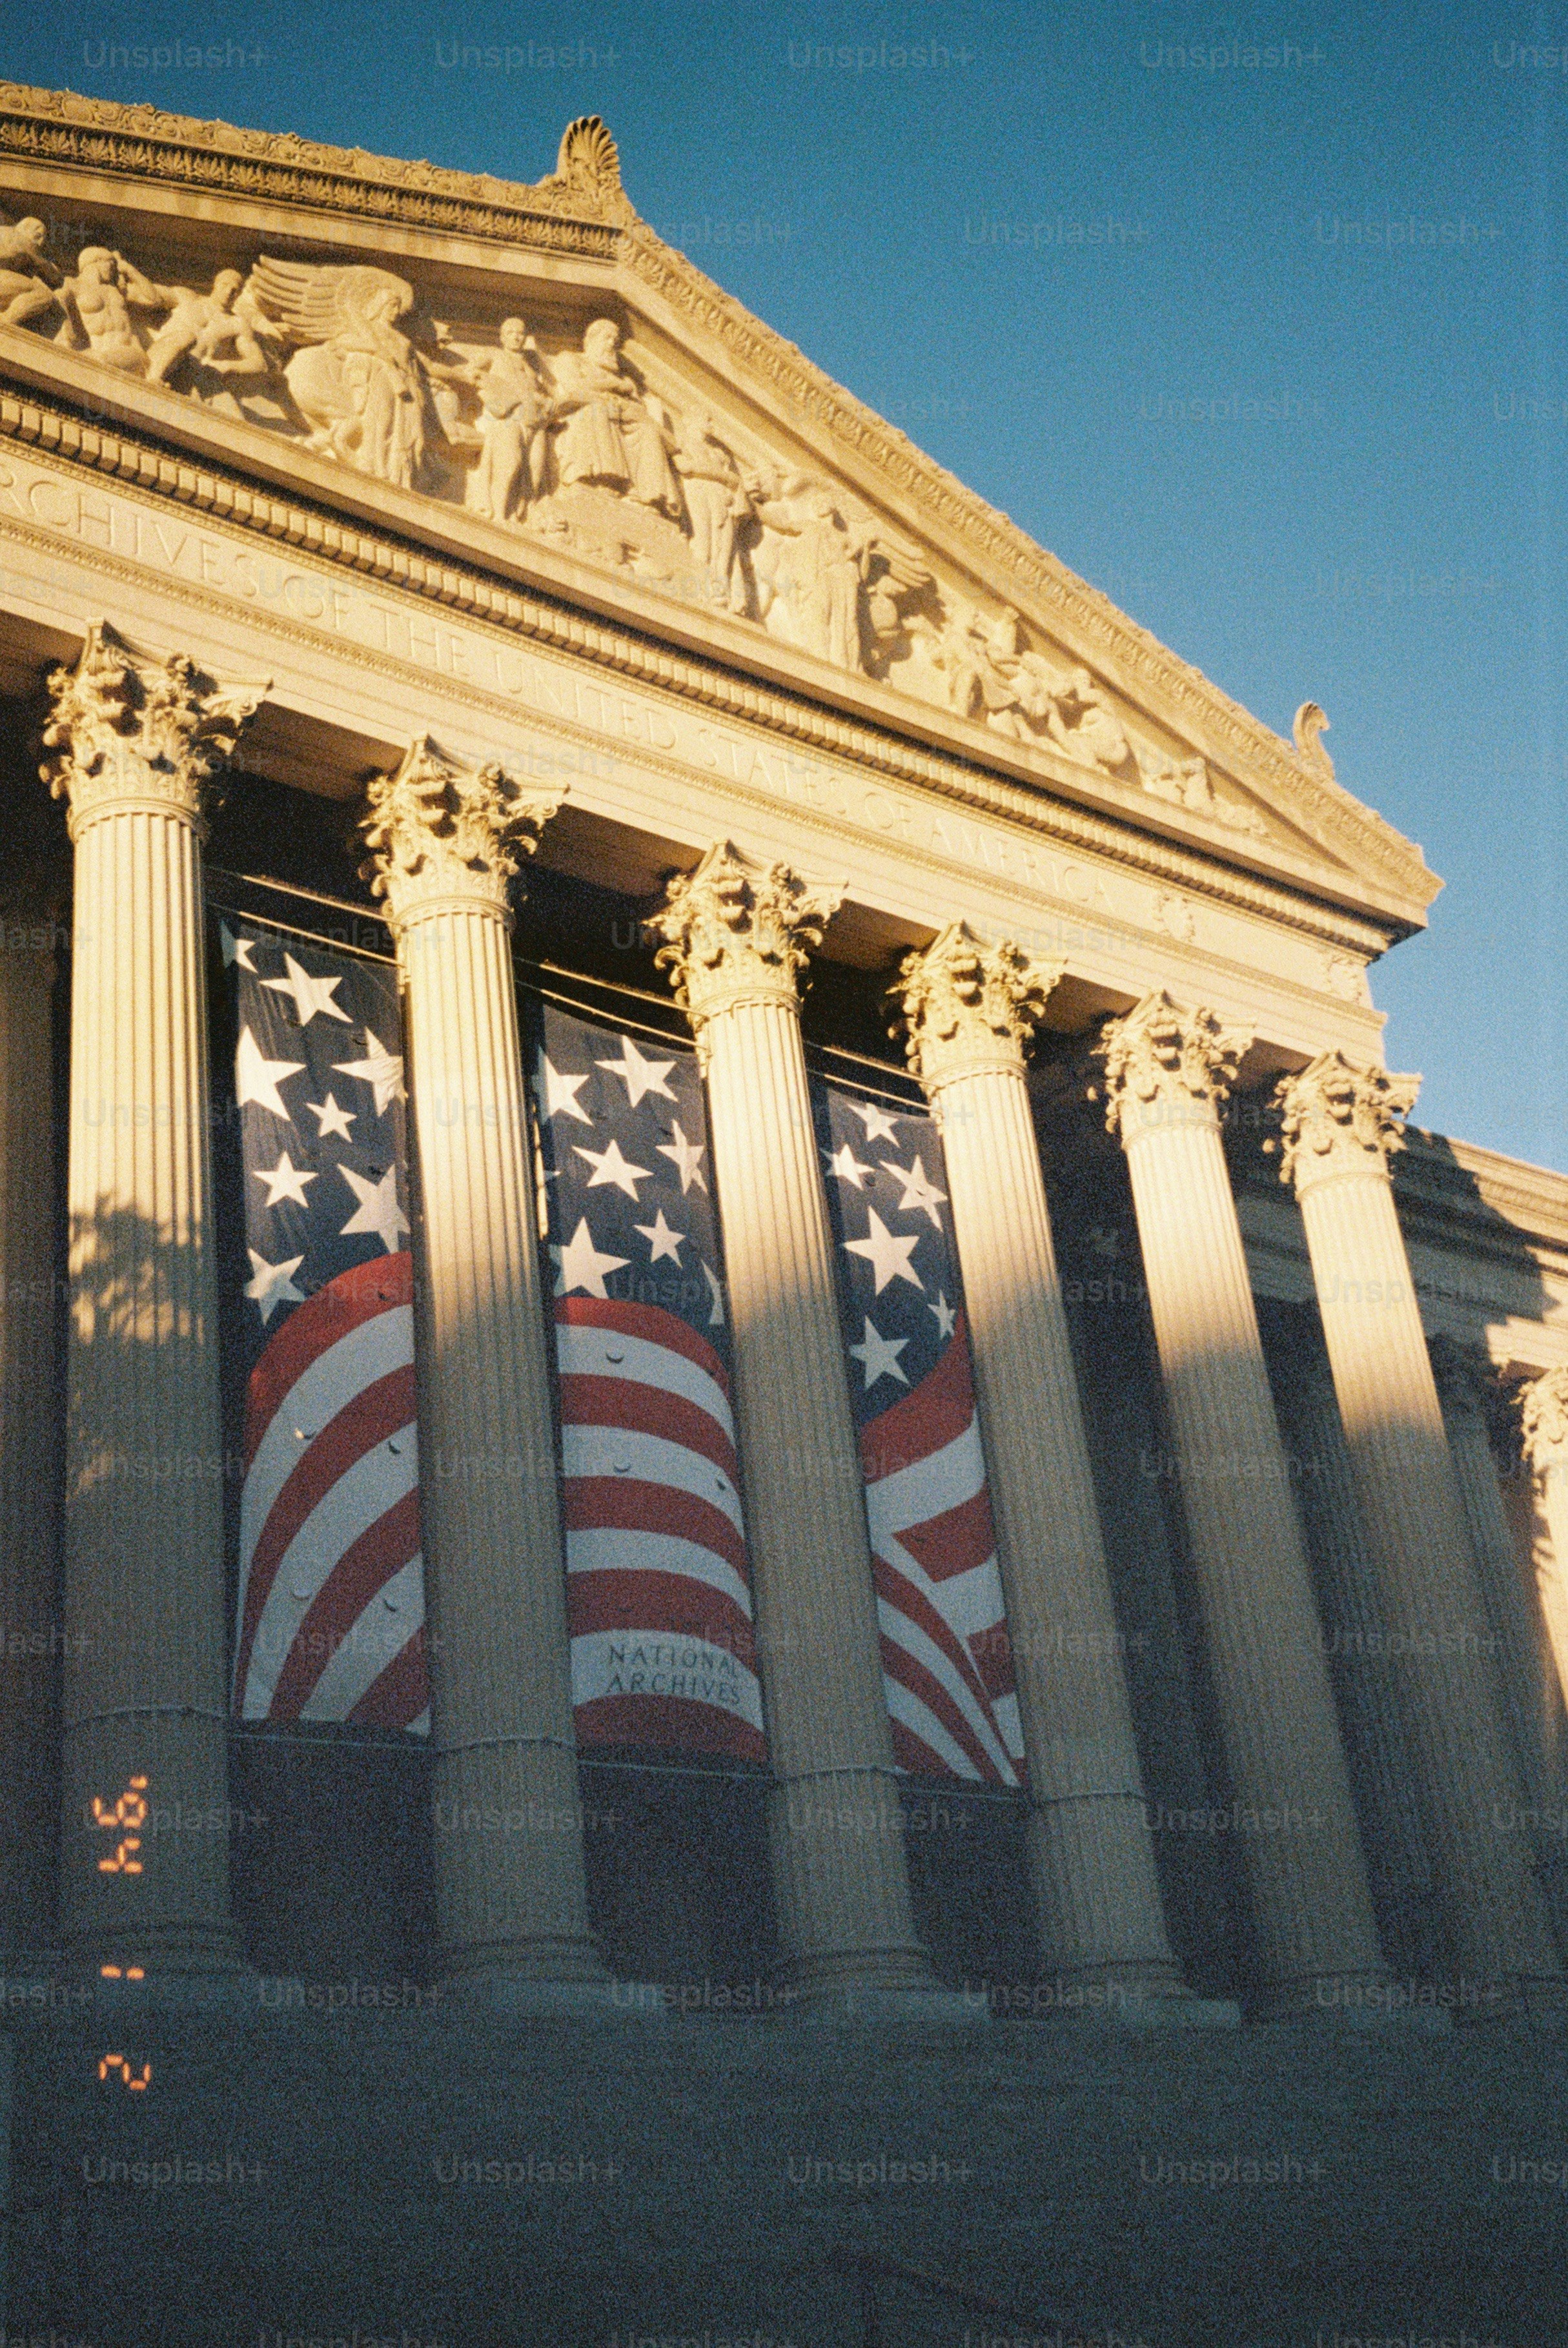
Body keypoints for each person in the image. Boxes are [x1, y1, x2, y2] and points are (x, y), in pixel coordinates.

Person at [548, 318, 682, 516]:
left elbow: (639, 410)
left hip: (625, 421)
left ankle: (649, 497)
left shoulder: (626, 380)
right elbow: (574, 388)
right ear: (590, 340)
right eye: (607, 338)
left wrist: (624, 401)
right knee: (601, 409)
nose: (612, 344)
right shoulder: (571, 359)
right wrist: (613, 387)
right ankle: (602, 480)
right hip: (584, 414)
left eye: (615, 340)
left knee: (648, 431)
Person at [465, 318, 550, 523]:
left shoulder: (531, 365)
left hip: (535, 422)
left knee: (535, 472)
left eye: (521, 333)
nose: (516, 337)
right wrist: (491, 395)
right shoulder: (494, 355)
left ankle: (519, 514)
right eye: (511, 332)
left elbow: (544, 393)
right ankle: (499, 515)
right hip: (509, 417)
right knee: (511, 463)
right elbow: (470, 373)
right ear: (502, 337)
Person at [0, 216, 63, 329]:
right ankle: (5, 322)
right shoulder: (11, 235)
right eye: (38, 236)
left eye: (43, 239)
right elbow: (53, 275)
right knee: (42, 294)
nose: (40, 243)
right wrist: (37, 260)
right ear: (25, 228)